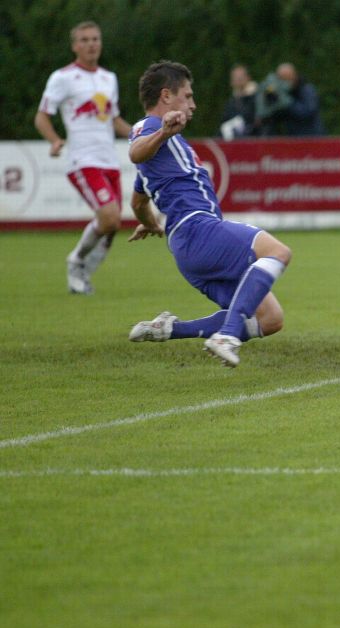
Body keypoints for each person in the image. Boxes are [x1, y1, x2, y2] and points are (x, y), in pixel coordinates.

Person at [126, 61, 292, 368]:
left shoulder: (165, 150)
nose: (193, 104)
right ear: (166, 96)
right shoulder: (150, 128)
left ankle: (168, 329)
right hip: (198, 229)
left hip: (186, 246)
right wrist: (162, 131)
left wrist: (150, 224)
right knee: (278, 252)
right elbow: (135, 151)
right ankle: (226, 336)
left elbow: (138, 202)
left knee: (270, 319)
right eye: (187, 96)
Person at [35, 20, 133, 295]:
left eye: (95, 39)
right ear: (75, 46)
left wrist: (143, 134)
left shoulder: (109, 78)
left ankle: (82, 277)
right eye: (85, 40)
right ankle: (76, 261)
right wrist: (55, 140)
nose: (91, 44)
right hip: (83, 160)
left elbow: (114, 120)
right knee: (109, 217)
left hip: (109, 160)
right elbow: (42, 116)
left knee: (112, 225)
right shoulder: (62, 77)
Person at [255, 62, 325, 136]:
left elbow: (307, 113)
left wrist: (287, 102)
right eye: (280, 78)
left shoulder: (307, 90)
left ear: (294, 76)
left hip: (312, 137)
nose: (282, 82)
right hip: (293, 137)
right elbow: (278, 116)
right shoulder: (284, 92)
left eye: (285, 78)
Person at [219, 63, 260, 139]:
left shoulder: (258, 98)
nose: (238, 79)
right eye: (235, 77)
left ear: (248, 78)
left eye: (241, 76)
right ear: (231, 81)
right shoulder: (230, 103)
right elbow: (224, 125)